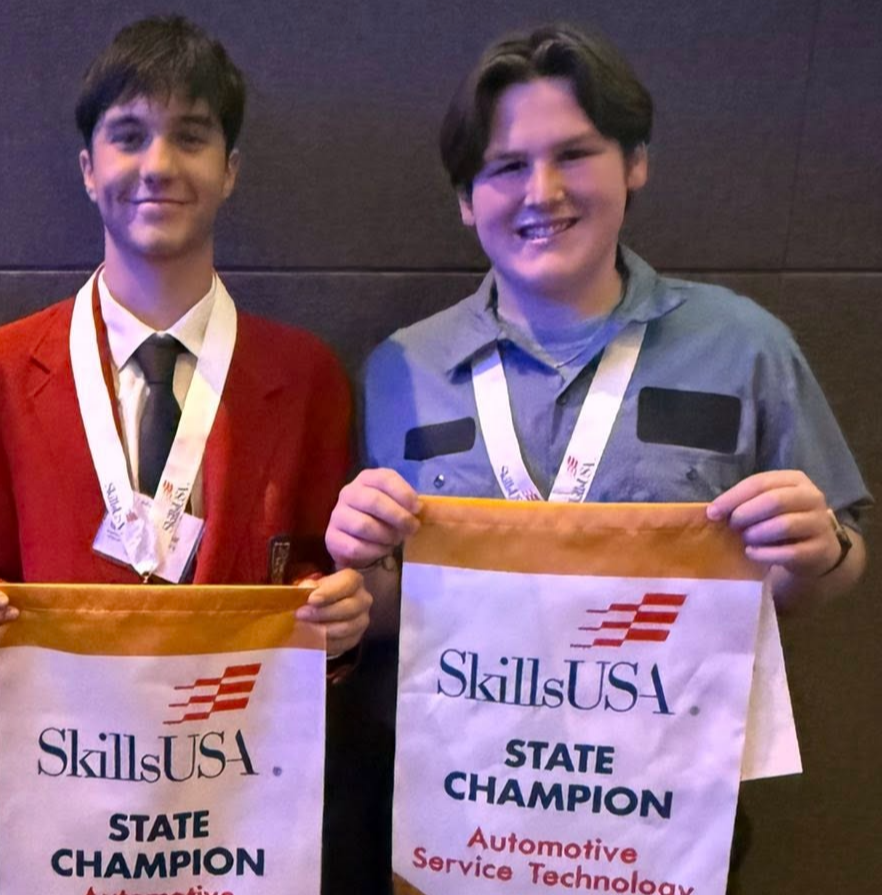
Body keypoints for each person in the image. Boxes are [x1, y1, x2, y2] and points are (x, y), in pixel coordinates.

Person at [325, 22, 870, 890]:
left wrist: (821, 553)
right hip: (465, 823)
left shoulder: (744, 346)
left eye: (574, 155)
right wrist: (361, 568)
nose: (541, 192)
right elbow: (394, 610)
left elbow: (826, 572)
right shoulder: (400, 370)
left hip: (661, 824)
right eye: (507, 167)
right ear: (467, 198)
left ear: (635, 163)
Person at [0, 15, 371, 665]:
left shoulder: (305, 374)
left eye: (190, 137)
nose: (159, 166)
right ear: (89, 169)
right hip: (69, 723)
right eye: (130, 137)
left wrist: (330, 611)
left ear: (229, 171)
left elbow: (316, 565)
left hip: (234, 722)